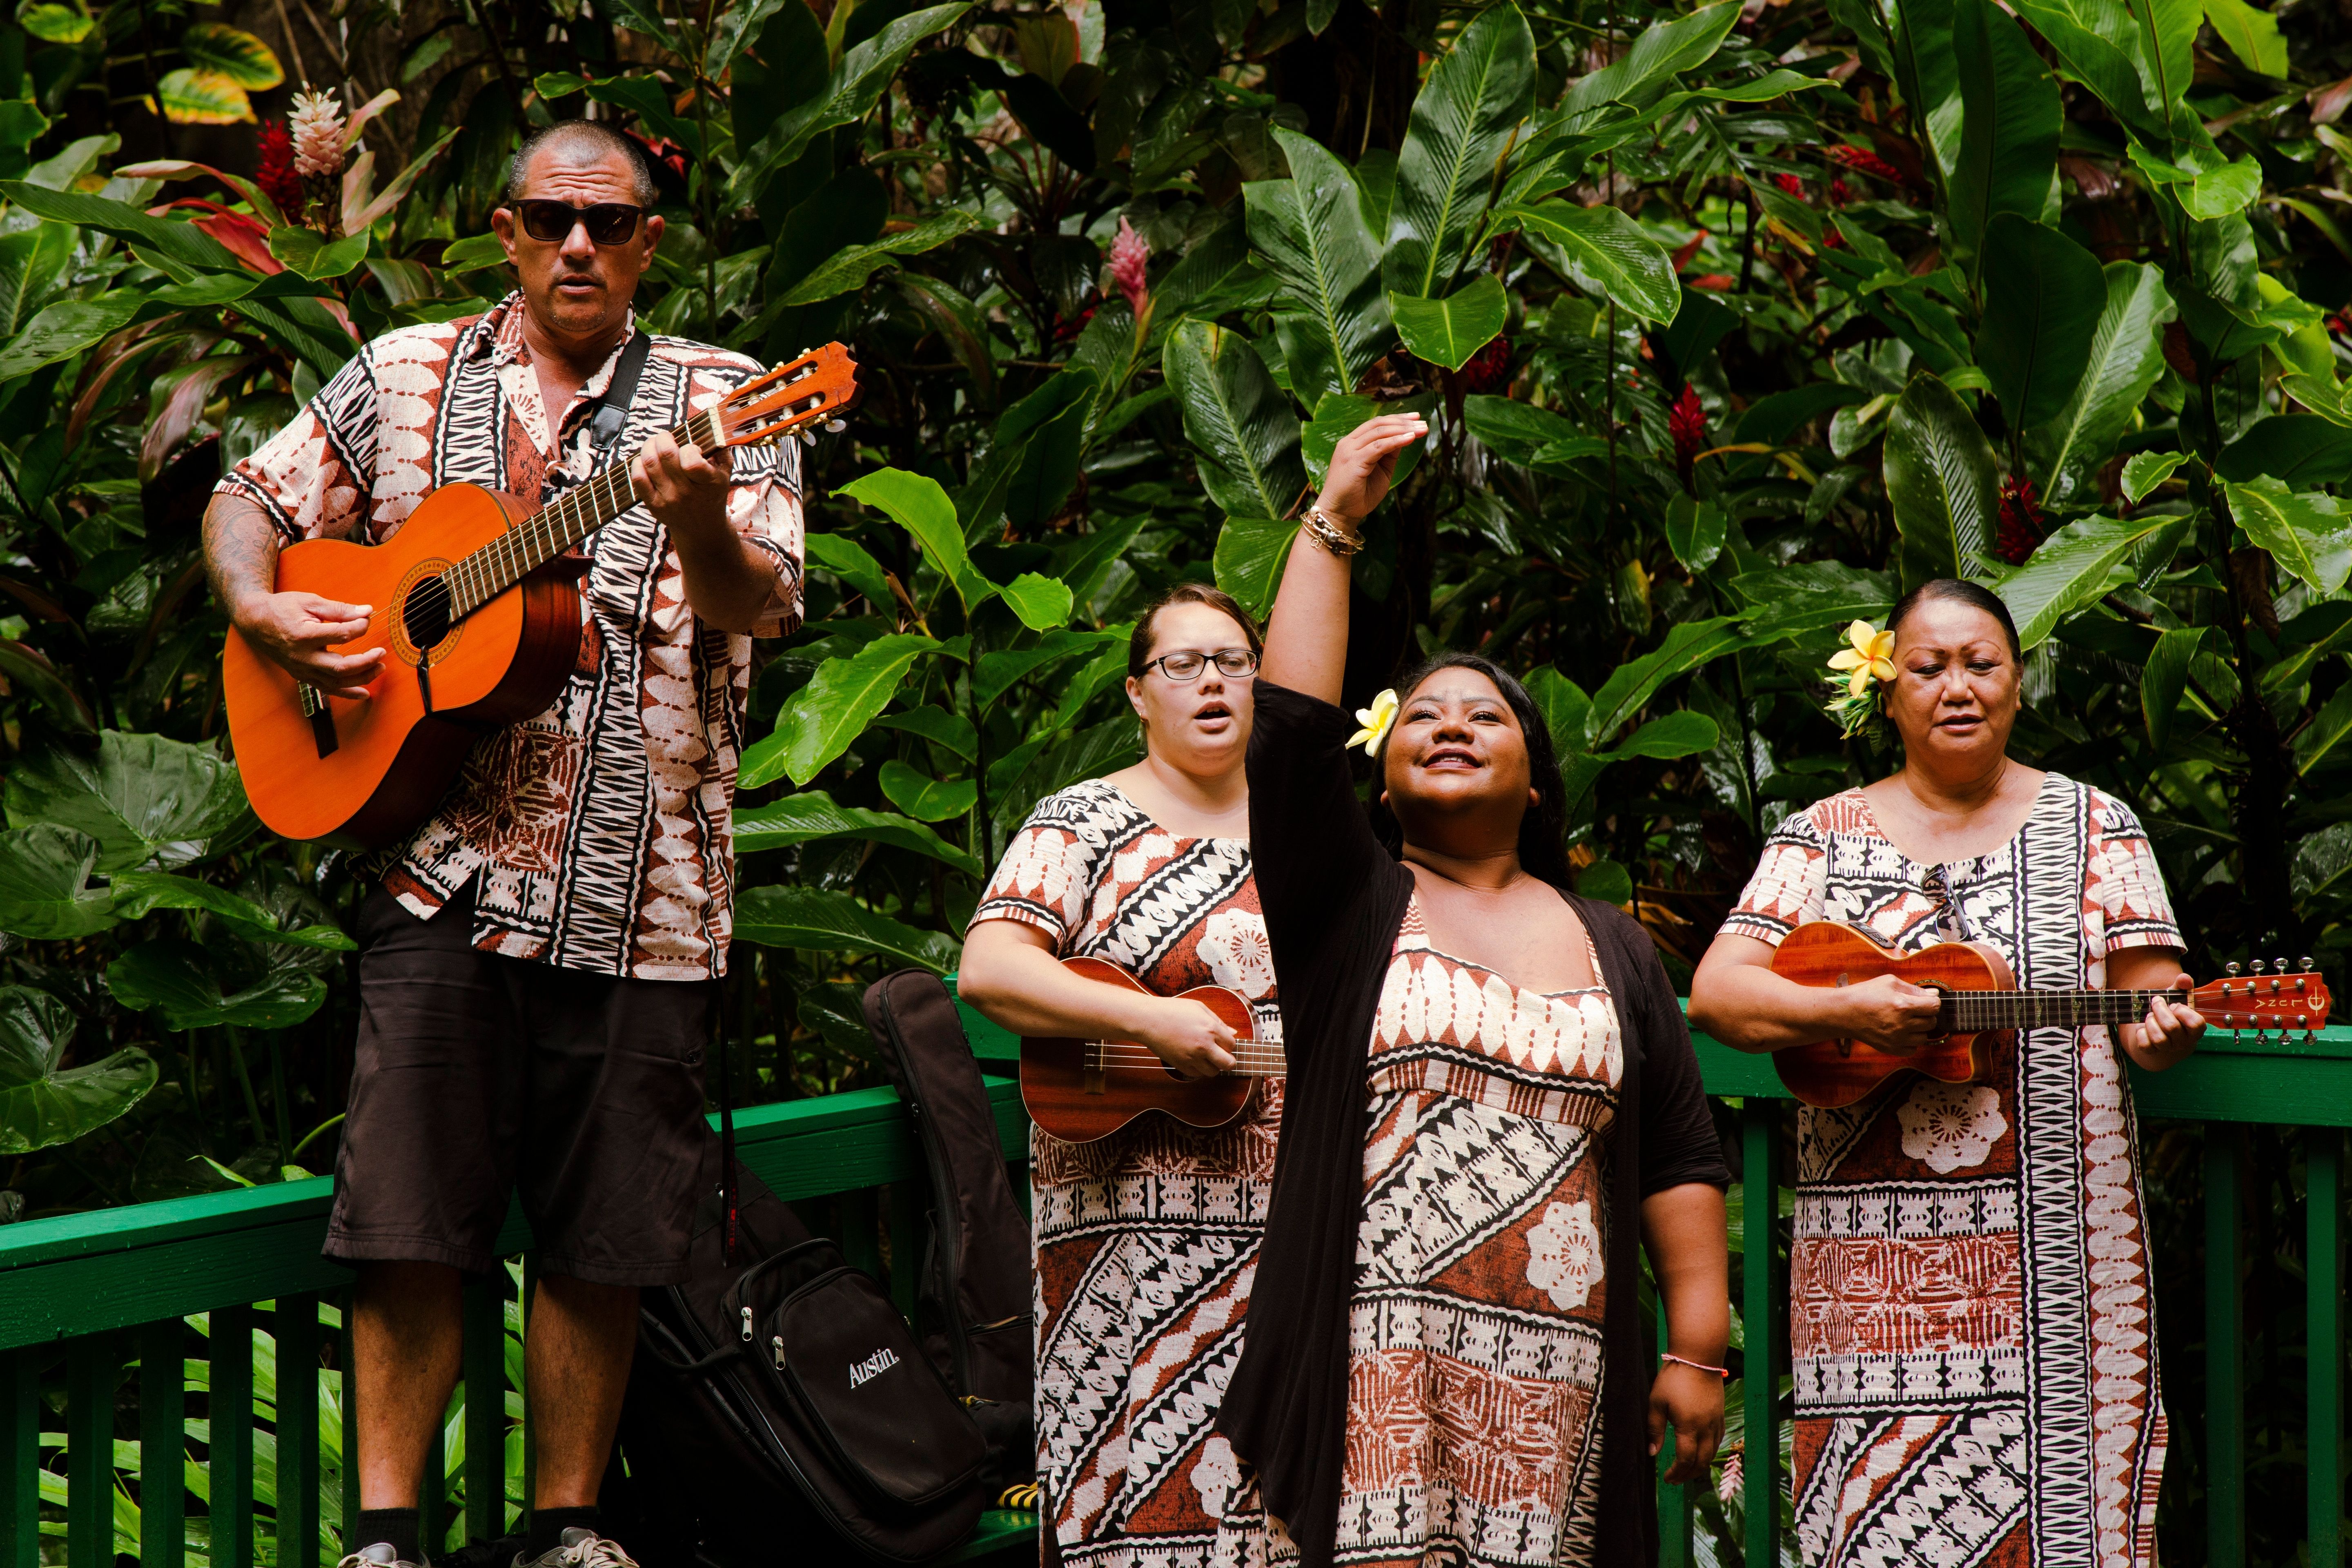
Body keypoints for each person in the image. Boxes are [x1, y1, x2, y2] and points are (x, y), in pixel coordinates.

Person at [202, 121, 803, 1568]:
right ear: (507, 230)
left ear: (651, 240)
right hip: (435, 878)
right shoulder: (407, 373)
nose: (579, 245)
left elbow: (760, 605)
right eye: (552, 219)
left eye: (610, 223)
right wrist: (262, 609)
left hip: (645, 893)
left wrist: (704, 513)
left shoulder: (723, 398)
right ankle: (390, 1540)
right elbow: (251, 499)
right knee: (407, 1220)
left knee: (604, 1240)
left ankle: (565, 1532)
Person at [1208, 414, 1733, 1568]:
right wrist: (1334, 520)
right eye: (1423, 718)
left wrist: (1697, 1348)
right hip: (1374, 1381)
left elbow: (1682, 1154)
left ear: (1539, 788)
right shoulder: (1349, 909)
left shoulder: (1615, 946)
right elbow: (1292, 734)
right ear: (1384, 786)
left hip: (1563, 1394)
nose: (1450, 723)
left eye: (1485, 714)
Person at [1687, 579, 2206, 1568]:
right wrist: (1849, 1010)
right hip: (1873, 1286)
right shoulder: (1820, 835)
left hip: (2063, 1270)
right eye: (1927, 668)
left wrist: (2167, 1029)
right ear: (1888, 693)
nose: (1956, 687)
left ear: (2019, 683)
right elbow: (1720, 993)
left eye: (1983, 663)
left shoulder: (2100, 825)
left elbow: (2150, 995)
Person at [956, 584, 1280, 1568]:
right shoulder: (1082, 819)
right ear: (1140, 694)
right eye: (1183, 665)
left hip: (1283, 1232)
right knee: (1130, 1510)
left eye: (1232, 661)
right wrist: (1151, 1020)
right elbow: (991, 968)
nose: (1212, 681)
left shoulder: (1307, 834)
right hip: (1121, 1247)